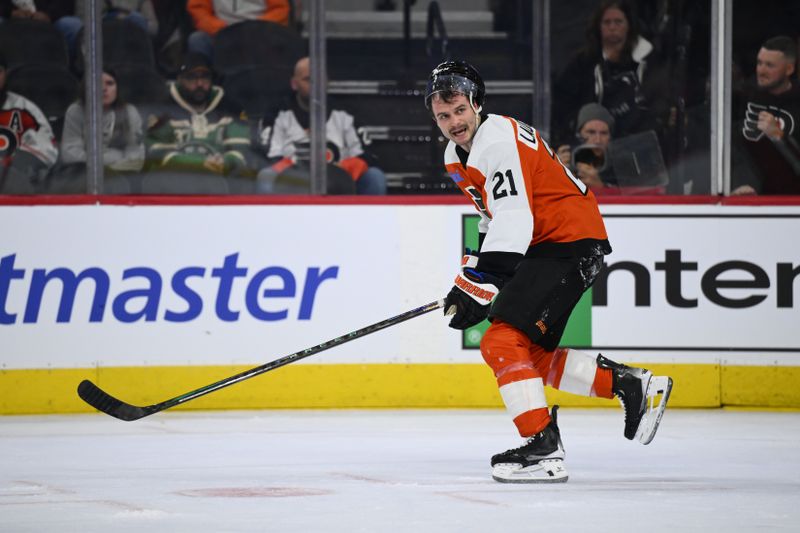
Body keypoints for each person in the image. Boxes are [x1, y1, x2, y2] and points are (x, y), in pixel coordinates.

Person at [426, 60, 672, 483]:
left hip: (566, 243)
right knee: (530, 354)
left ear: (477, 104)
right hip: (552, 244)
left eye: (460, 110)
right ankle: (632, 386)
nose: (453, 122)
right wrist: (466, 281)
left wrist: (481, 285)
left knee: (501, 342)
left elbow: (515, 220)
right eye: (443, 115)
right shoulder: (456, 156)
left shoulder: (496, 140)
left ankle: (541, 447)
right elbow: (492, 219)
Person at [257, 56, 388, 195]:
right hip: (293, 184)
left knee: (375, 177)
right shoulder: (277, 115)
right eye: (308, 80)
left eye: (320, 79)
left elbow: (366, 156)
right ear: (294, 84)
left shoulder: (346, 113)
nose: (316, 85)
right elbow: (269, 158)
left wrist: (342, 169)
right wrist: (299, 170)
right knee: (266, 176)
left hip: (340, 185)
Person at [552, 0, 666, 143]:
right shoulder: (582, 63)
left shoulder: (649, 62)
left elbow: (658, 103)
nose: (612, 27)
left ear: (629, 26)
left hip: (635, 142)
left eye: (618, 22)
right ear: (598, 27)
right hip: (592, 142)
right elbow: (564, 104)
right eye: (607, 22)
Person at [145, 53, 250, 180]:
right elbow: (156, 153)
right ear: (180, 79)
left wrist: (224, 163)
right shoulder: (163, 108)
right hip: (172, 184)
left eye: (205, 77)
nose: (200, 83)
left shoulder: (229, 107)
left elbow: (241, 151)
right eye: (192, 78)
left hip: (220, 184)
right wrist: (199, 164)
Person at [731, 35, 800, 195]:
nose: (761, 71)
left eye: (770, 65)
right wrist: (739, 182)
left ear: (789, 69)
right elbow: (729, 146)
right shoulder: (742, 97)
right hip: (747, 199)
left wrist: (778, 135)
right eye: (759, 63)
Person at [58, 68, 144, 185]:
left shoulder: (129, 112)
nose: (104, 89)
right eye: (97, 83)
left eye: (110, 83)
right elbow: (70, 155)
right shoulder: (75, 111)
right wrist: (112, 157)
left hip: (123, 178)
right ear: (87, 87)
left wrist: (100, 164)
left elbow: (136, 159)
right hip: (82, 177)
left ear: (118, 88)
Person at [0, 51, 57, 192]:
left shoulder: (24, 109)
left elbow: (48, 151)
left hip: (15, 191)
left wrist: (12, 164)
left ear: (5, 75)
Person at [186, 0, 291, 59]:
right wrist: (219, 28)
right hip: (222, 32)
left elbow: (280, 9)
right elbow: (198, 8)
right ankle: (206, 87)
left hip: (260, 33)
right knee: (197, 40)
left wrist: (256, 27)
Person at [556, 102, 618, 193]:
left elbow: (630, 201)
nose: (598, 140)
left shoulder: (619, 166)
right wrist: (555, 170)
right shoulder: (566, 159)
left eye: (604, 133)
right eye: (591, 132)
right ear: (578, 135)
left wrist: (601, 188)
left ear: (610, 137)